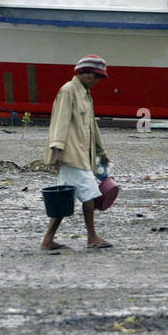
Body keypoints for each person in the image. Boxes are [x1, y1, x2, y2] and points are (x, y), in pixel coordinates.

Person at [42, 55, 113, 251]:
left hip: (81, 154)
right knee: (89, 194)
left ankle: (48, 240)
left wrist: (101, 151)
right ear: (85, 73)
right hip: (70, 154)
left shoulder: (85, 94)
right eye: (97, 76)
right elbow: (60, 121)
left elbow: (92, 126)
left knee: (64, 200)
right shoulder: (68, 91)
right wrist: (57, 149)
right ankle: (92, 237)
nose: (98, 81)